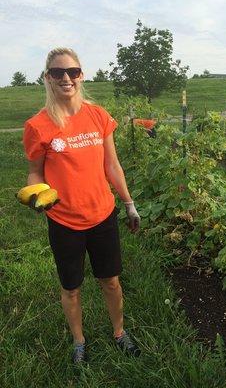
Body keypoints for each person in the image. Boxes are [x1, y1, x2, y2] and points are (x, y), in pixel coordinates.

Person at [23, 47, 141, 364]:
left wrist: (129, 203)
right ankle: (79, 341)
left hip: (102, 214)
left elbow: (112, 166)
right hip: (64, 220)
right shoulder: (38, 126)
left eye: (72, 72)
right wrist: (36, 193)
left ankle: (119, 332)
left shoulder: (98, 116)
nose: (66, 78)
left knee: (111, 281)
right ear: (47, 78)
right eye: (58, 73)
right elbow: (35, 170)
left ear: (81, 75)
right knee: (71, 287)